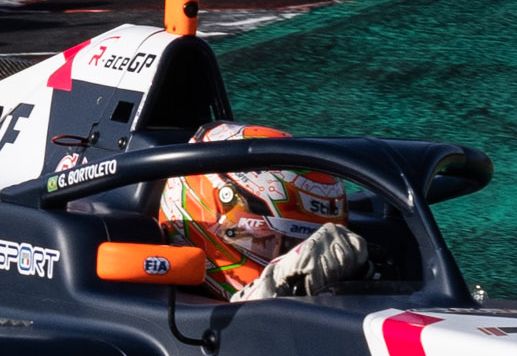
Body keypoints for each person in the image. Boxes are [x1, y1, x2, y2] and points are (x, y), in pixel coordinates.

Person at [157, 122, 367, 297]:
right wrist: (279, 282)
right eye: (282, 243)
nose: (300, 255)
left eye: (308, 240)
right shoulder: (148, 303)